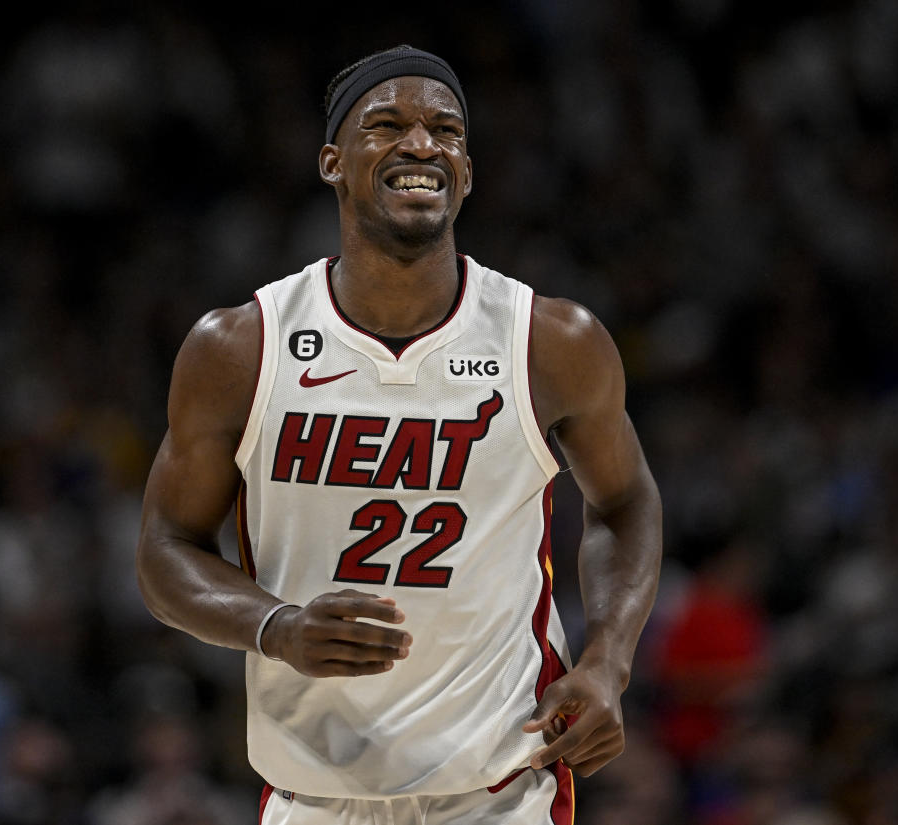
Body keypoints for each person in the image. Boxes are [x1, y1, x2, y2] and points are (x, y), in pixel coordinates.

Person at [135, 45, 662, 825]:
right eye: (387, 124)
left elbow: (626, 501)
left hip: (501, 793)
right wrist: (274, 626)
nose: (421, 144)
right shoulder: (241, 346)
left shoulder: (550, 340)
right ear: (332, 163)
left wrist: (609, 661)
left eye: (445, 130)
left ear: (469, 171)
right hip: (313, 795)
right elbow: (163, 548)